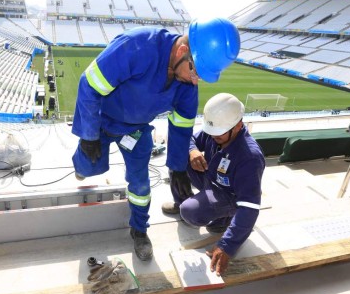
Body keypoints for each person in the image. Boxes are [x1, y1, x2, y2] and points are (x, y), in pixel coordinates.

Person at [71, 18, 240, 261]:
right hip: (101, 121)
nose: (195, 81)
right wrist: (88, 135)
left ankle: (139, 230)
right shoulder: (137, 46)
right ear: (183, 52)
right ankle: (81, 162)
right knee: (88, 167)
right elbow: (89, 85)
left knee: (140, 184)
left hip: (136, 131)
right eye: (196, 72)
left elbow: (181, 128)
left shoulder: (187, 85)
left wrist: (178, 168)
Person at [162, 93, 265, 275]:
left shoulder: (250, 157)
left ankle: (224, 218)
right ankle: (182, 202)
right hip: (211, 177)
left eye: (217, 134)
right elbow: (190, 140)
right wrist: (193, 151)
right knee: (178, 158)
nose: (212, 136)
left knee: (190, 211)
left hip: (227, 195)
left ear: (238, 125)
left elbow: (249, 207)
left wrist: (227, 246)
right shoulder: (217, 131)